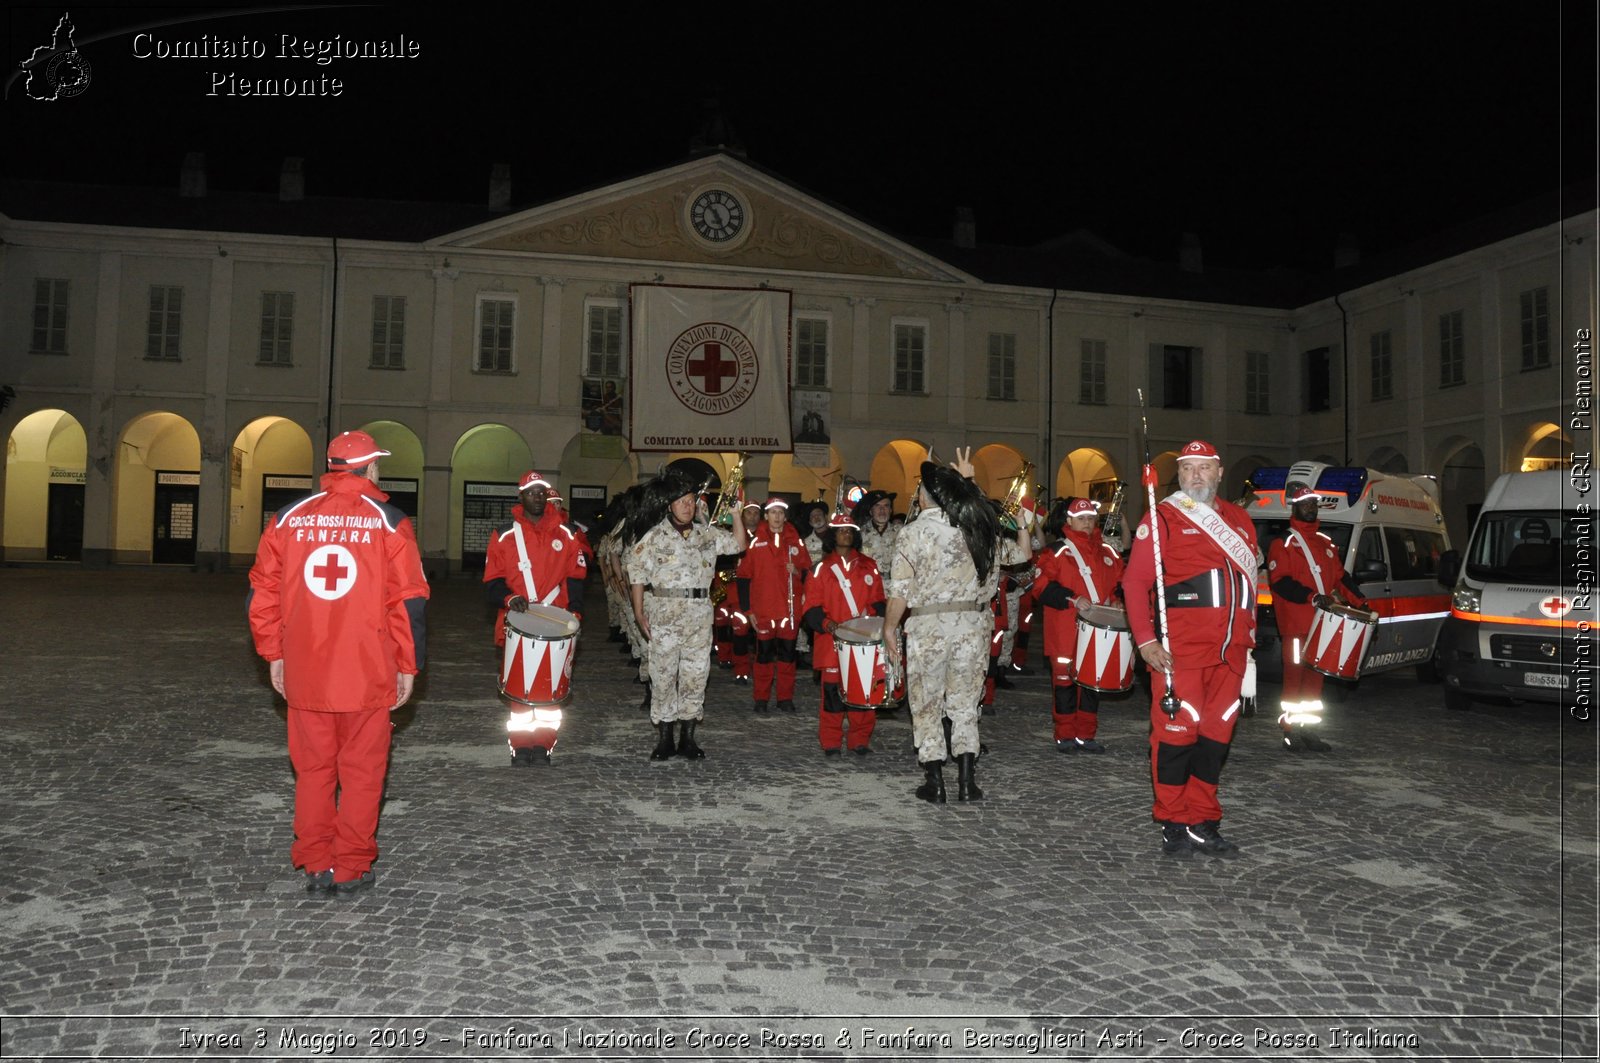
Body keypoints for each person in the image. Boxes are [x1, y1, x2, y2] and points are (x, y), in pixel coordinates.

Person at [247, 430, 429, 895]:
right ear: (369, 468)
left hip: (306, 670)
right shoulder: (390, 523)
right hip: (367, 671)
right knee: (363, 773)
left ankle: (314, 864)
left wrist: (274, 653)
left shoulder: (288, 519)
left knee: (313, 771)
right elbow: (408, 601)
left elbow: (262, 593)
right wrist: (408, 665)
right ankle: (350, 867)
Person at [1123, 440, 1257, 857]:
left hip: (1231, 654)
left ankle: (1203, 820)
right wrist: (1145, 641)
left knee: (1215, 742)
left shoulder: (1239, 519)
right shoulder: (1162, 517)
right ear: (1178, 476)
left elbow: (1250, 586)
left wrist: (1249, 643)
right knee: (1176, 740)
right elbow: (1134, 583)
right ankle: (1174, 821)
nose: (1196, 476)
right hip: (1180, 654)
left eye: (1204, 468)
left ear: (1219, 473)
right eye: (1187, 470)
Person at [883, 449, 1002, 804]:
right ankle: (968, 782)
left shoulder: (914, 532)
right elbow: (1022, 553)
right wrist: (968, 481)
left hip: (928, 628)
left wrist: (890, 628)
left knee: (927, 703)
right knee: (965, 704)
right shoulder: (980, 526)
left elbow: (901, 592)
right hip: (972, 626)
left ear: (924, 497)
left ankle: (935, 783)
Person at [628, 469, 747, 760]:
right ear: (670, 505)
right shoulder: (655, 537)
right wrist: (639, 610)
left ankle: (688, 739)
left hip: (698, 616)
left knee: (696, 675)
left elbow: (739, 545)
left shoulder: (707, 535)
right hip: (664, 614)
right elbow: (637, 574)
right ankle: (665, 739)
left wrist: (737, 515)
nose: (687, 505)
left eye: (692, 500)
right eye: (681, 501)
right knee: (664, 675)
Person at [482, 470, 588, 764]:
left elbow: (576, 577)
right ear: (521, 496)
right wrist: (508, 597)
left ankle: (543, 745)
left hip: (556, 623)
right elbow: (492, 581)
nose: (538, 497)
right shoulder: (503, 534)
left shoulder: (566, 534)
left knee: (550, 692)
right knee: (519, 691)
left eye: (542, 492)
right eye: (531, 492)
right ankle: (521, 745)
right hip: (517, 624)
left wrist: (576, 610)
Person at [1267, 481, 1371, 753]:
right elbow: (1280, 581)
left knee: (1316, 681)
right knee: (1294, 678)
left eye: (1313, 504)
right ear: (1295, 507)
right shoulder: (1283, 543)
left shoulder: (1326, 544)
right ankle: (1290, 731)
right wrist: (1312, 597)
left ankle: (1310, 731)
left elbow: (1341, 577)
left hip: (1324, 624)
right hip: (1296, 625)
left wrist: (1361, 602)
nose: (1310, 508)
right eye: (1305, 504)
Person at [1035, 497, 1126, 753]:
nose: (1086, 523)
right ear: (1069, 521)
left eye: (1090, 518)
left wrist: (1119, 600)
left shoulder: (1108, 552)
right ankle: (1064, 734)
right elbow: (1040, 586)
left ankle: (1085, 735)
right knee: (1064, 685)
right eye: (1081, 518)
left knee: (1091, 686)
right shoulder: (1056, 551)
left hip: (1097, 633)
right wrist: (1072, 598)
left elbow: (1122, 582)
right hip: (1064, 632)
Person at [802, 511, 886, 754]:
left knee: (863, 694)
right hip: (832, 642)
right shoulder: (821, 569)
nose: (846, 534)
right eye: (841, 530)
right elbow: (811, 606)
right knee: (832, 695)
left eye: (850, 530)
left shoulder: (869, 566)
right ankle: (831, 741)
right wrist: (827, 624)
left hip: (864, 643)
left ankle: (859, 740)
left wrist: (873, 625)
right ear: (832, 535)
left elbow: (879, 602)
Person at [735, 498, 808, 713]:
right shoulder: (755, 543)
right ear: (766, 516)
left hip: (789, 611)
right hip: (764, 610)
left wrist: (797, 571)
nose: (777, 517)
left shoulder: (795, 541)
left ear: (785, 517)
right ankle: (761, 698)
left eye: (781, 513)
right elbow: (743, 578)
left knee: (787, 655)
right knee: (764, 655)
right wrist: (748, 611)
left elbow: (809, 574)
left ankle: (785, 698)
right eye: (772, 513)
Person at [854, 491, 899, 568]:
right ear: (871, 511)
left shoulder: (900, 533)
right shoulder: (859, 534)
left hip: (894, 579)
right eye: (877, 506)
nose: (882, 509)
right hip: (868, 578)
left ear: (890, 510)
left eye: (886, 506)